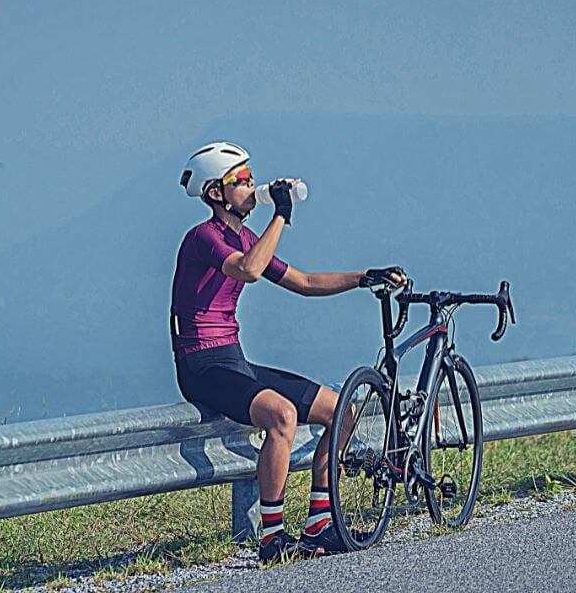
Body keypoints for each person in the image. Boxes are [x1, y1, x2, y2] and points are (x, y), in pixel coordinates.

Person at [171, 141, 405, 564]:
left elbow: (304, 281)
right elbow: (249, 270)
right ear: (215, 194)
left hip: (233, 358)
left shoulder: (244, 237)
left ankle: (319, 523)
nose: (252, 184)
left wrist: (364, 276)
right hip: (201, 364)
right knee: (282, 416)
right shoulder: (203, 238)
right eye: (241, 179)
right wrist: (280, 214)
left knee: (341, 410)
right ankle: (272, 537)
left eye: (251, 174)